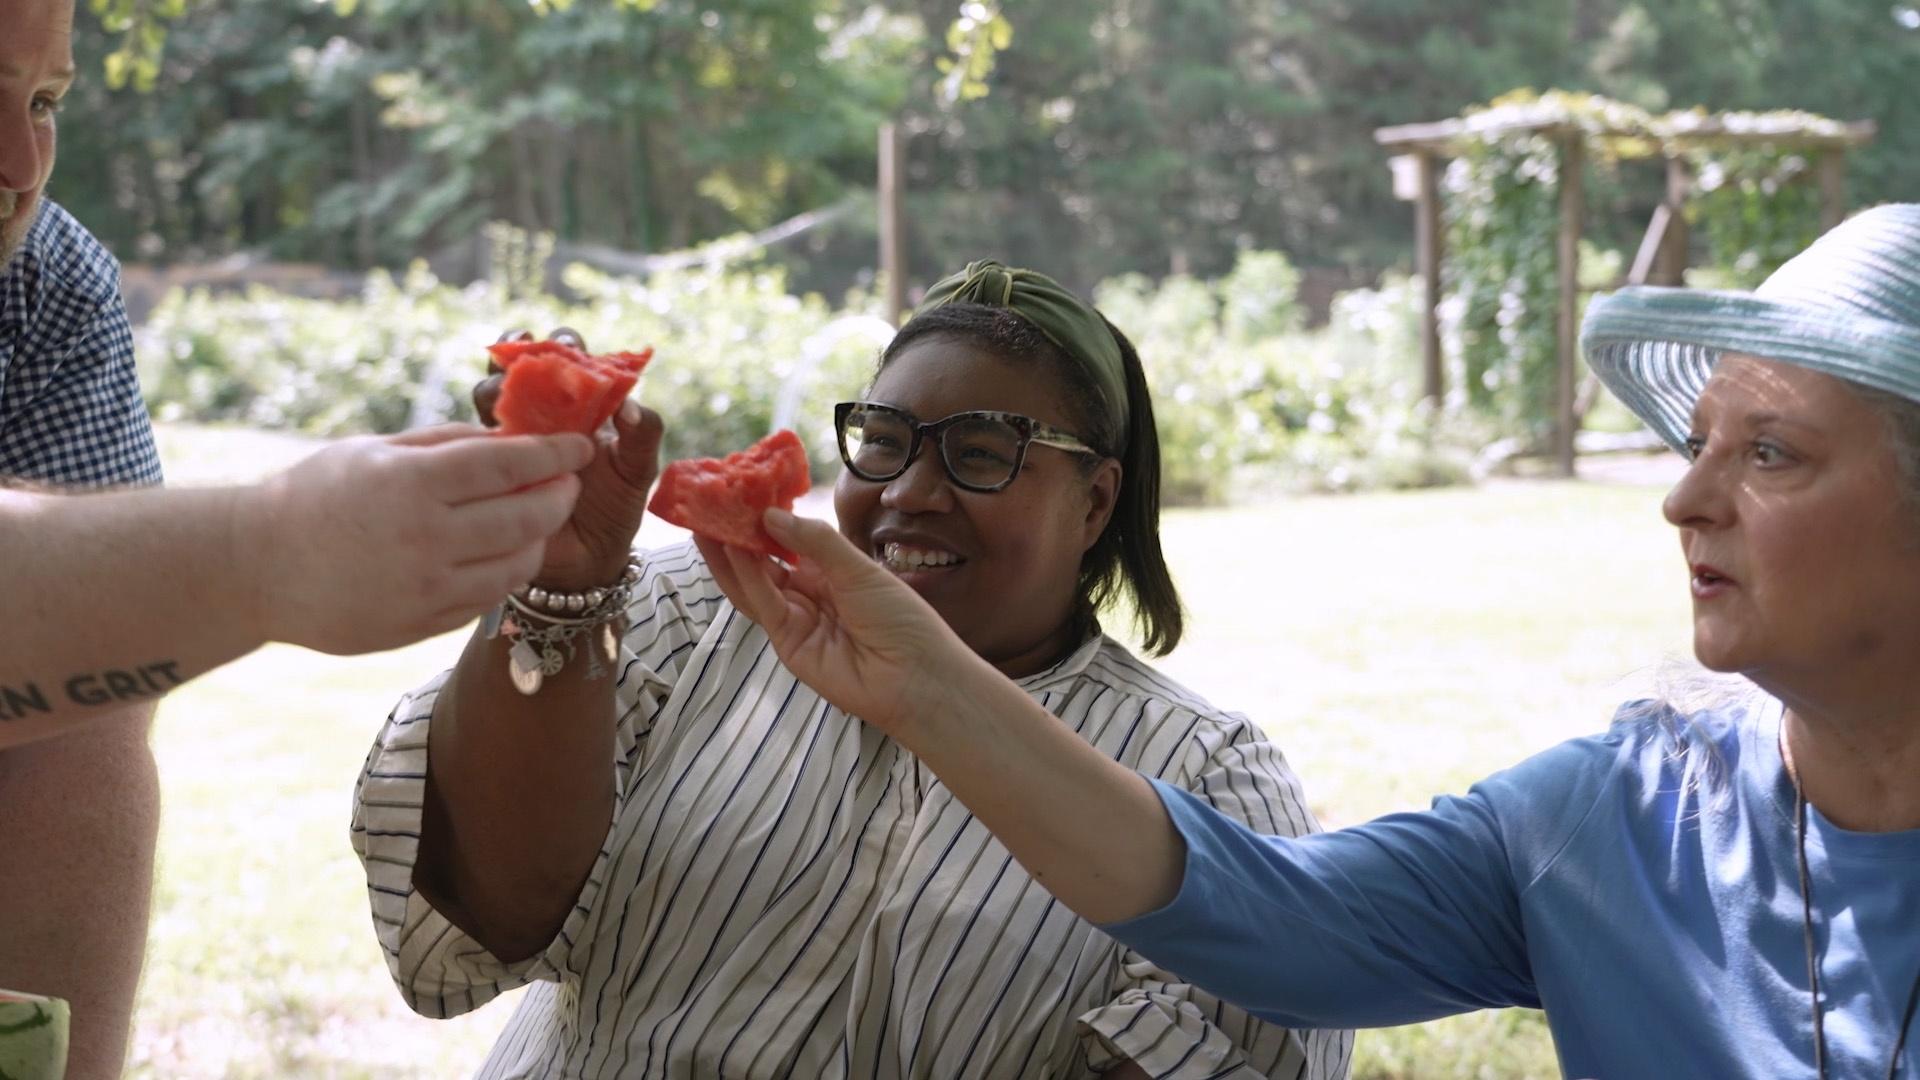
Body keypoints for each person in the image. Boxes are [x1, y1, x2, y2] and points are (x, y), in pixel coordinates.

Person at [701, 204, 1920, 1079]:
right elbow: (1269, 917)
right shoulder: (1616, 820)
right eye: (1695, 442)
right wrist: (925, 687)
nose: (1684, 500)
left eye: (1769, 452)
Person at [351, 272, 1353, 1078]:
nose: (911, 492)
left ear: (1094, 502)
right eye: (881, 440)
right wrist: (562, 587)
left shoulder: (1204, 778)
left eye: (980, 453)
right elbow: (490, 911)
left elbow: (1241, 1039)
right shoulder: (683, 617)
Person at [1, 3, 593, 1074]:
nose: (22, 164)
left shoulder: (43, 285)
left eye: (44, 101)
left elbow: (77, 698)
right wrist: (267, 552)